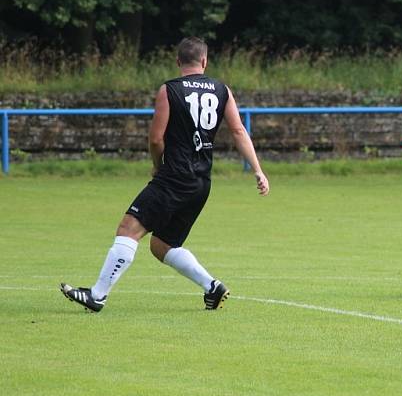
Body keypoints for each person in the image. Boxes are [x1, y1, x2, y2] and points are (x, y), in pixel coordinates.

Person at [60, 37, 269, 312]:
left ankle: (97, 295)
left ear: (177, 61)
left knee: (128, 229)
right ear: (204, 61)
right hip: (201, 183)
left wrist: (158, 166)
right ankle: (212, 287)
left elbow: (156, 139)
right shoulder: (222, 90)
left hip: (174, 177)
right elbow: (239, 131)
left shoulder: (169, 89)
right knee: (162, 244)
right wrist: (258, 170)